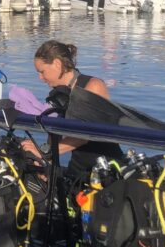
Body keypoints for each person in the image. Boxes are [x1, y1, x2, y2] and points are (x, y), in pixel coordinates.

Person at [21, 40, 123, 179]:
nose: (40, 78)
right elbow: (53, 134)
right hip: (78, 168)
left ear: (57, 63)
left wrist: (45, 153)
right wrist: (46, 163)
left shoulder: (93, 86)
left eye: (42, 71)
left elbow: (84, 135)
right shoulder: (57, 95)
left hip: (106, 169)